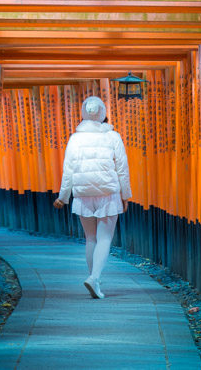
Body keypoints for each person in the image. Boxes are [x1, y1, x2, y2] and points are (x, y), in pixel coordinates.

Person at [53, 95, 131, 299]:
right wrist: (126, 195)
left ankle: (93, 277)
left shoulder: (75, 138)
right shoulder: (113, 137)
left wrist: (63, 197)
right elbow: (122, 168)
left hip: (83, 194)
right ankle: (95, 278)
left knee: (90, 238)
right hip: (108, 194)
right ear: (103, 113)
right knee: (105, 238)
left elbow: (68, 170)